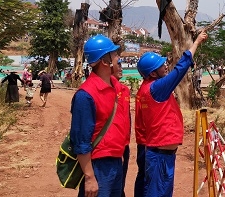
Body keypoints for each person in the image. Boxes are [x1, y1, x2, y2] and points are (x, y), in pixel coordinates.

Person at [135, 32, 207, 197]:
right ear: (153, 73)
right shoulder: (157, 88)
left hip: (157, 151)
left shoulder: (145, 88)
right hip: (160, 155)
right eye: (161, 65)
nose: (166, 65)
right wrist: (196, 42)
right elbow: (181, 69)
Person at [70, 34, 130, 197]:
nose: (118, 58)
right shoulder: (86, 95)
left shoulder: (115, 87)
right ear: (105, 62)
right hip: (98, 166)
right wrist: (89, 177)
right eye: (115, 55)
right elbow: (81, 140)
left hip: (116, 162)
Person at [114, 60, 131, 197]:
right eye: (118, 64)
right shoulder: (107, 89)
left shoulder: (125, 90)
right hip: (112, 148)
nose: (121, 68)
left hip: (124, 145)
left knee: (120, 185)